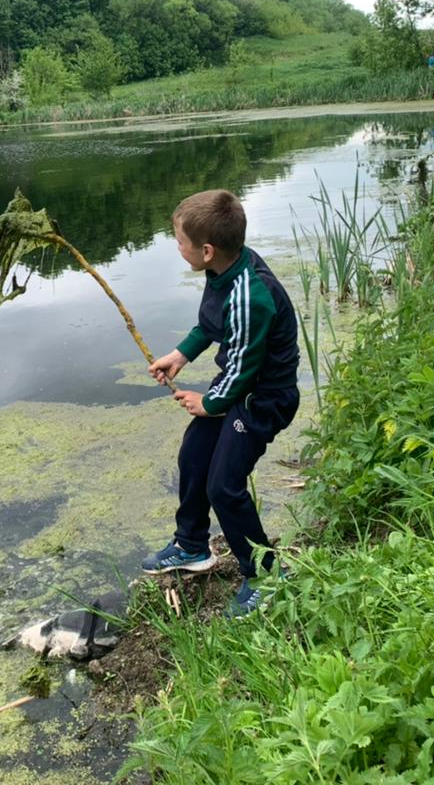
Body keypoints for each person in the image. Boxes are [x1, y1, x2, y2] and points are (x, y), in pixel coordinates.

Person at [142, 189, 301, 618]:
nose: (177, 247)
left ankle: (267, 575)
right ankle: (192, 545)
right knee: (194, 456)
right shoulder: (223, 272)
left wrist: (211, 404)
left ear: (206, 250)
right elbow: (210, 325)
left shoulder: (252, 294)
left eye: (180, 241)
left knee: (224, 487)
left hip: (262, 399)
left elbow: (245, 366)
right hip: (238, 388)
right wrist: (180, 356)